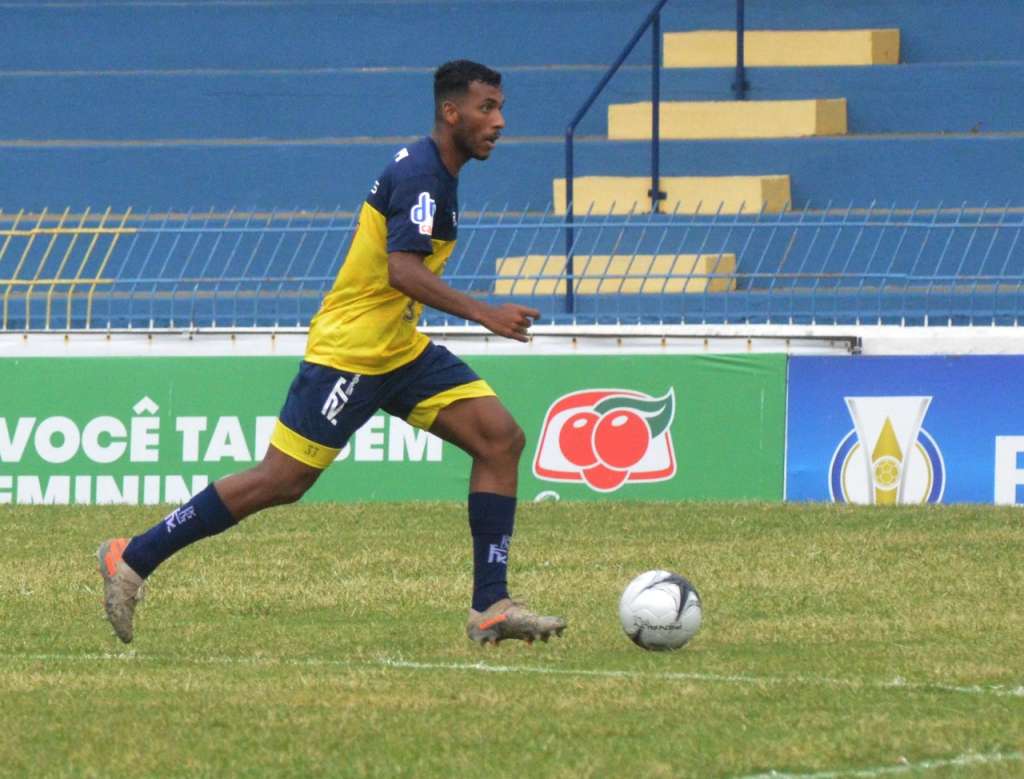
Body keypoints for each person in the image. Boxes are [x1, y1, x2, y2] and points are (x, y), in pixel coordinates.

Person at [97, 60, 566, 647]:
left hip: (398, 349)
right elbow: (402, 271)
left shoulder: (437, 171)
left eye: (499, 108)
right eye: (487, 108)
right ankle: (132, 556)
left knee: (500, 438)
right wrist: (485, 313)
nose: (499, 121)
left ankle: (490, 606)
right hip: (351, 353)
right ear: (452, 112)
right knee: (282, 480)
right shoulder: (423, 175)